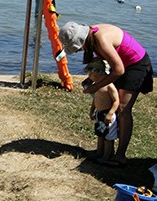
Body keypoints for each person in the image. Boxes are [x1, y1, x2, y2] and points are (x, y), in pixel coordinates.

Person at [59, 21, 153, 167]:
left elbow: (119, 70)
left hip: (136, 64)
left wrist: (96, 87)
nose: (78, 51)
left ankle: (120, 156)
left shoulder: (100, 39)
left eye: (78, 48)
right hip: (123, 63)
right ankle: (104, 151)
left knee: (122, 108)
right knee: (108, 105)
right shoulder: (92, 36)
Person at [84, 59, 120, 163]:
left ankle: (107, 156)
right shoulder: (96, 84)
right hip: (99, 113)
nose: (89, 75)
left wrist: (110, 113)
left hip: (107, 114)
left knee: (108, 137)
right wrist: (92, 110)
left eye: (91, 73)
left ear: (100, 73)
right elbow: (95, 99)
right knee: (100, 134)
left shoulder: (109, 86)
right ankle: (99, 152)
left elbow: (116, 101)